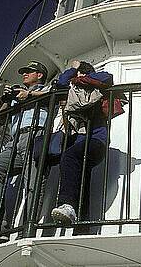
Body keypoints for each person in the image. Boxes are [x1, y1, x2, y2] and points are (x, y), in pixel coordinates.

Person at [0, 61, 50, 235]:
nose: (25, 74)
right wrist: (6, 100)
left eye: (30, 71)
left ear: (40, 75)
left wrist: (28, 96)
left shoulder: (49, 86)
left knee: (32, 183)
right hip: (14, 142)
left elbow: (55, 94)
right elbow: (1, 120)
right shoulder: (18, 95)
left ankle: (28, 227)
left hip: (35, 135)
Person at [50, 61, 113, 226]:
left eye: (76, 76)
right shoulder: (73, 87)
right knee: (82, 179)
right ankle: (82, 225)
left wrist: (81, 76)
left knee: (69, 156)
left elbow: (106, 77)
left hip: (97, 140)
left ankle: (67, 204)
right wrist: (72, 70)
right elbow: (61, 83)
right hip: (82, 141)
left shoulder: (96, 83)